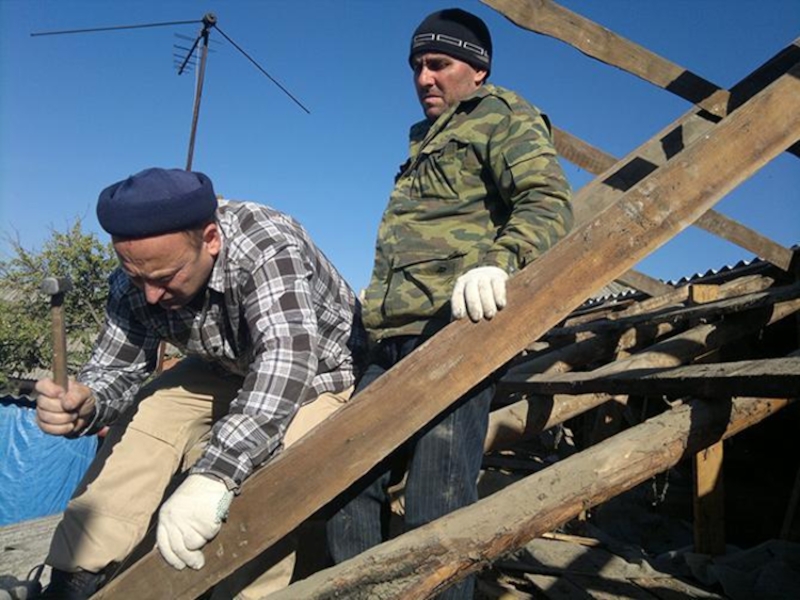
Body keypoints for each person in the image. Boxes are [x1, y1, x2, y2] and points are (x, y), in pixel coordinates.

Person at [326, 8, 573, 599]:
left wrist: (502, 260)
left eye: (439, 63)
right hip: (392, 337)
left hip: (453, 334)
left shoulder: (501, 116)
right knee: (343, 480)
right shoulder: (423, 140)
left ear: (478, 70)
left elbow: (548, 200)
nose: (424, 77)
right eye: (416, 66)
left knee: (435, 502)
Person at [34, 167, 366, 599]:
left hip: (321, 372)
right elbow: (117, 369)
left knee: (268, 471)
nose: (151, 295)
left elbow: (285, 363)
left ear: (211, 239)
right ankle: (74, 578)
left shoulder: (267, 243)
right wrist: (88, 401)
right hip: (224, 366)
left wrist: (217, 473)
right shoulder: (138, 275)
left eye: (166, 278)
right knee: (150, 415)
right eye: (138, 278)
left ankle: (248, 593)